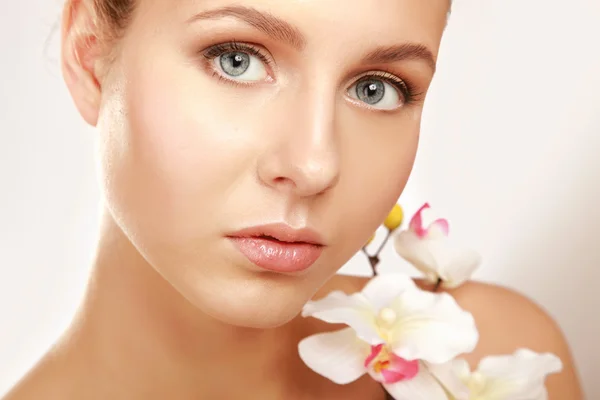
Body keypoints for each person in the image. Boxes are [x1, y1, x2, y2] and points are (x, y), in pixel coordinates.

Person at [3, 0, 583, 399]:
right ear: (89, 57)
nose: (314, 165)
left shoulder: (499, 355)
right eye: (237, 59)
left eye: (376, 88)